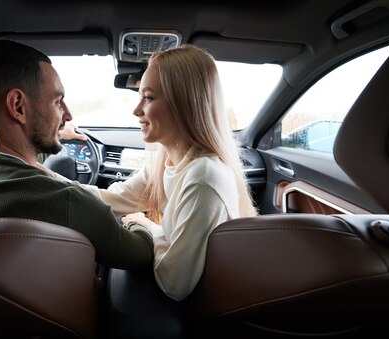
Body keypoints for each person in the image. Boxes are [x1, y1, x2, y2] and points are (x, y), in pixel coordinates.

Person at [83, 44, 258, 301]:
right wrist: (45, 179)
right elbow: (110, 199)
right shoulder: (168, 161)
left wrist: (146, 227)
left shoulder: (203, 178)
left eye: (149, 97)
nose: (136, 110)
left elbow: (174, 283)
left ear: (184, 103)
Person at [0, 39, 153, 270]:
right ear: (18, 106)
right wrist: (139, 223)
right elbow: (141, 254)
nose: (69, 115)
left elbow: (18, 157)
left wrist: (59, 134)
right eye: (57, 101)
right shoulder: (66, 201)